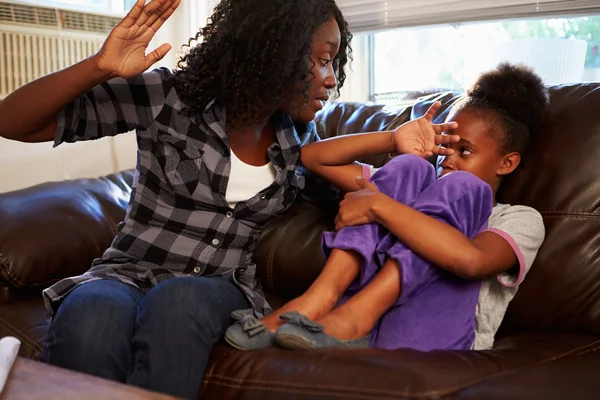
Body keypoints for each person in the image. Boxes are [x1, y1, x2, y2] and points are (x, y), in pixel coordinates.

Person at [0, 0, 380, 397]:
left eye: (334, 63)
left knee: (177, 301)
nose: (331, 79)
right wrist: (99, 67)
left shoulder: (303, 144)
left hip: (218, 287)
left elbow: (365, 198)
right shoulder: (170, 97)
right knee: (91, 312)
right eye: (322, 60)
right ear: (277, 49)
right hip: (126, 272)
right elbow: (12, 122)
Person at [225, 63, 548, 352]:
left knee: (462, 187)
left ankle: (358, 315)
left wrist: (379, 206)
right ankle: (319, 298)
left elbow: (471, 260)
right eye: (444, 147)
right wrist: (392, 140)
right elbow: (311, 157)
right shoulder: (412, 189)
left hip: (430, 335)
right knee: (411, 166)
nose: (448, 158)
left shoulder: (519, 219)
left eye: (464, 151)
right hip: (338, 328)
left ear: (506, 163)